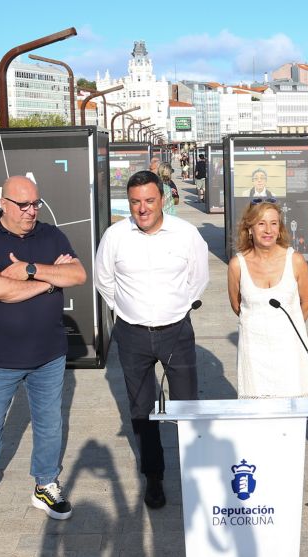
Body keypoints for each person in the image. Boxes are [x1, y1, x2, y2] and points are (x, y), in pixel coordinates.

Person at [0, 176, 87, 529]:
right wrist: (49, 281)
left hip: (49, 354)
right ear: (3, 203)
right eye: (22, 205)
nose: (31, 211)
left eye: (35, 204)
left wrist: (28, 271)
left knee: (49, 423)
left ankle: (45, 484)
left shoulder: (52, 235)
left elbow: (78, 275)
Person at [94, 170, 209, 509]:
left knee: (187, 408)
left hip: (176, 331)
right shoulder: (115, 236)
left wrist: (174, 307)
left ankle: (194, 476)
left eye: (148, 200)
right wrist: (128, 311)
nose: (142, 208)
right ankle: (154, 477)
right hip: (131, 334)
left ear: (162, 199)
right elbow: (104, 282)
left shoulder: (186, 235)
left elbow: (198, 280)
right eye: (134, 202)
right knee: (142, 411)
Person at [227, 201, 308, 398]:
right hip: (253, 352)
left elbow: (306, 303)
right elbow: (237, 304)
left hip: (289, 350)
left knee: (292, 417)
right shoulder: (237, 265)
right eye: (261, 223)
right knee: (256, 419)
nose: (268, 230)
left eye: (274, 223)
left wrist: (284, 330)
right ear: (249, 229)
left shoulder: (296, 261)